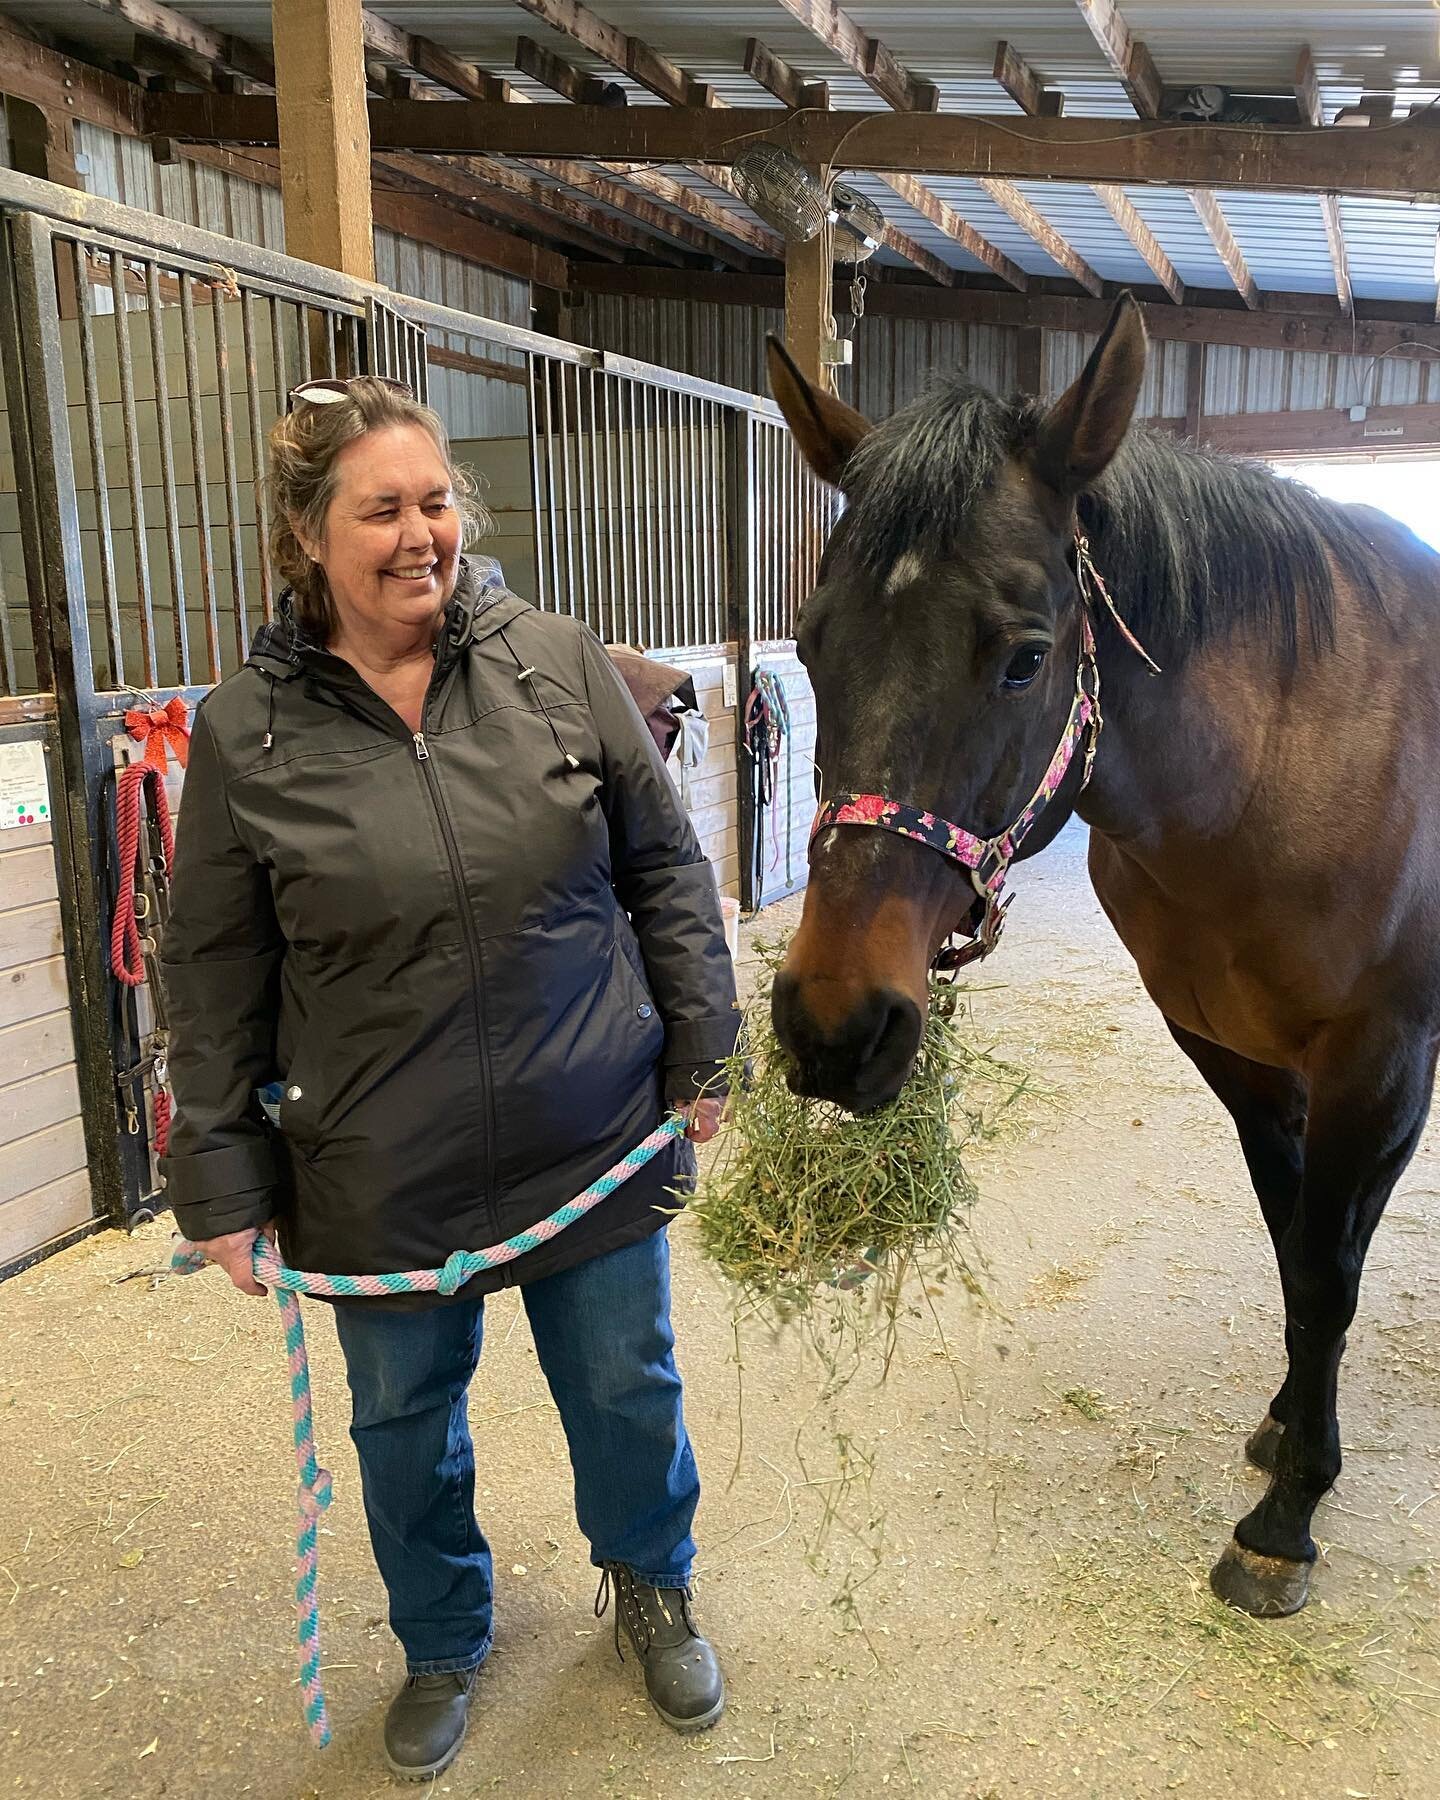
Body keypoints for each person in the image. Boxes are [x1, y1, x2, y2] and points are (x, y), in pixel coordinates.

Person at [160, 375, 740, 1782]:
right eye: (382, 510)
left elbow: (661, 864)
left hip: (586, 1119)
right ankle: (439, 1634)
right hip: (377, 1163)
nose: (421, 535)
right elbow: (215, 972)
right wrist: (223, 1183)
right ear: (309, 535)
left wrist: (701, 1047)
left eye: (435, 503)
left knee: (625, 1383)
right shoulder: (249, 732)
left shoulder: (553, 658)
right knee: (403, 1423)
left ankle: (650, 1582)